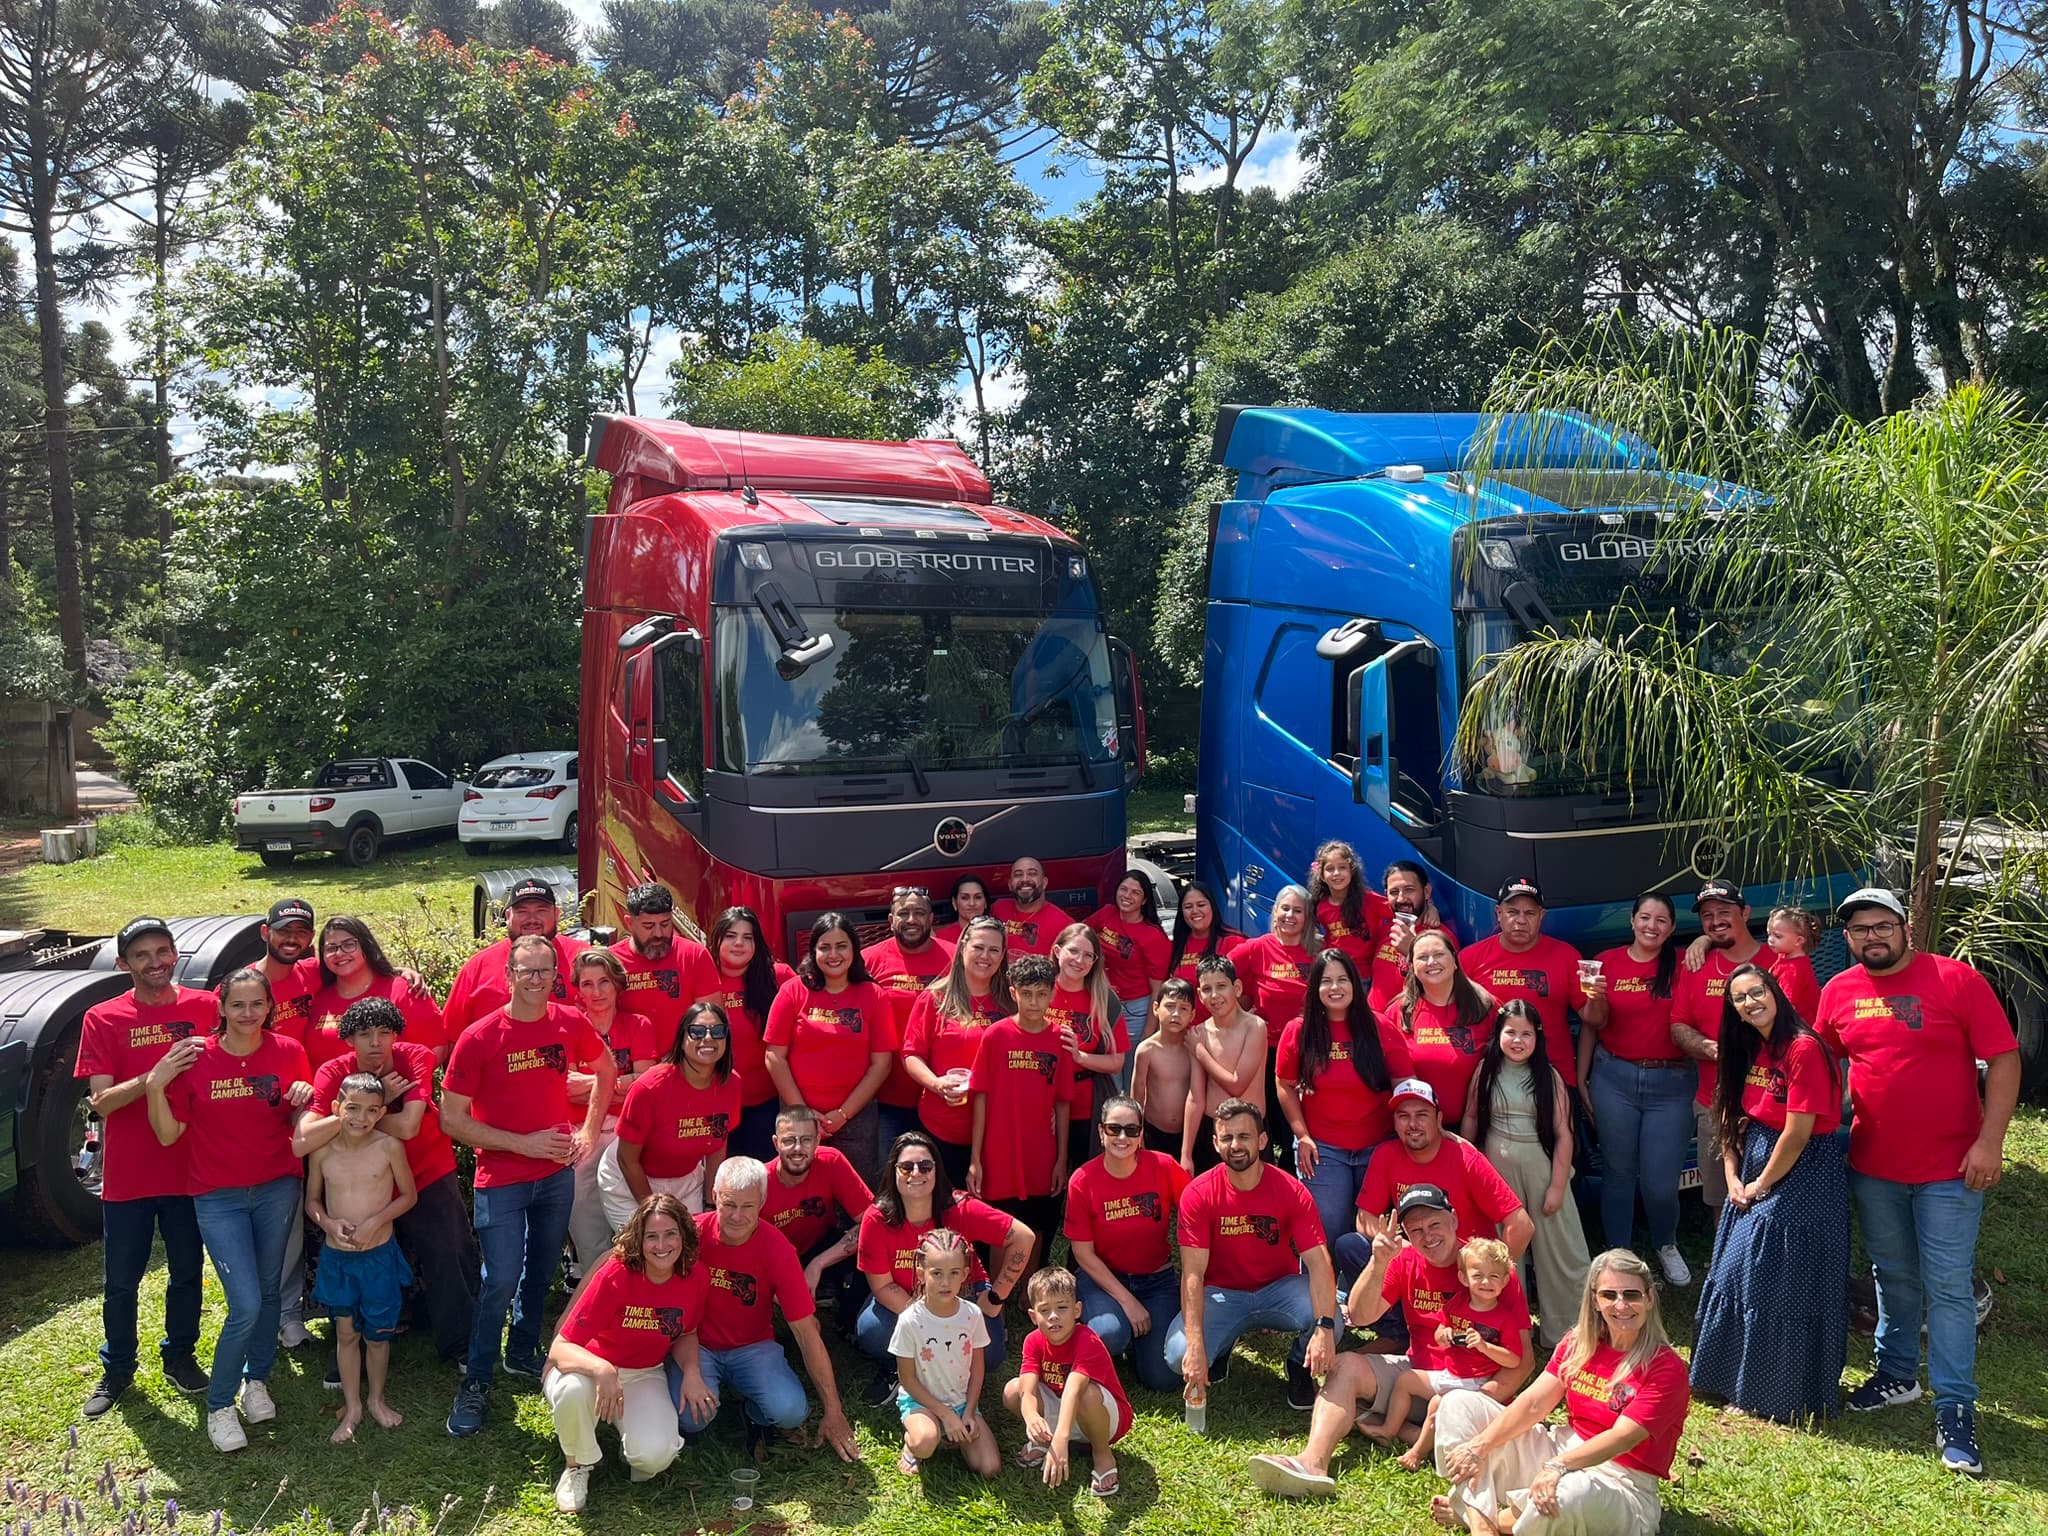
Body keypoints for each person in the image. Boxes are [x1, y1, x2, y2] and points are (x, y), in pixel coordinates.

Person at [1817, 887, 2018, 1476]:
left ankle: (1955, 1408)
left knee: (1948, 1286)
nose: (1871, 937)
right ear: (1848, 938)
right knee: (1892, 1273)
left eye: (1882, 926)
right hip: (1875, 1164)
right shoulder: (1839, 992)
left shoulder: (1955, 980)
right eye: (1859, 930)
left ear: (1906, 929)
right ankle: (1897, 1376)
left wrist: (1990, 1142)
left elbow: (2004, 1057)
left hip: (1951, 1168)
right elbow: (1819, 1061)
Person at [1251, 1184, 1530, 1498]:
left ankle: (1401, 1429)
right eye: (1416, 1229)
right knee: (1344, 1367)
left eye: (1435, 1224)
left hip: (1473, 1389)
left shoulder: (1488, 1270)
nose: (1428, 1236)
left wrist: (1477, 1398)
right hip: (1419, 1376)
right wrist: (1378, 1261)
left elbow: (1524, 1362)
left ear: (1453, 1220)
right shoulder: (1405, 1259)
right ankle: (1312, 1463)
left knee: (1450, 1408)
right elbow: (1360, 1313)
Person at [441, 933, 615, 1437]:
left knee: (539, 1273)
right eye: (526, 971)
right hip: (501, 1180)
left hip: (555, 1177)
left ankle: (521, 1351)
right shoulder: (480, 1037)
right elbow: (452, 1119)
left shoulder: (569, 1022)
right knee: (499, 1280)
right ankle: (476, 1380)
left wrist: (585, 1130)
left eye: (545, 972)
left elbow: (606, 1070)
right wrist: (523, 1144)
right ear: (509, 976)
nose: (536, 980)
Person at [144, 968, 314, 1452]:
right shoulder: (197, 1057)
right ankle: (219, 1405)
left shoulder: (288, 1052)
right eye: (237, 1005)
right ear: (220, 1007)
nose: (247, 1014)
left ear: (269, 1006)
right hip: (217, 1196)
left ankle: (255, 1380)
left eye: (256, 1004)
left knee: (265, 1290)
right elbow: (167, 1134)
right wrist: (156, 1086)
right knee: (244, 1303)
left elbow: (300, 1112)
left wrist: (304, 1097)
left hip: (276, 1187)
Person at [1433, 1249, 1691, 1536]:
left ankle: (1475, 1513)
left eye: (1631, 1294)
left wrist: (1559, 1466)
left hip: (1621, 1482)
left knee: (1565, 1495)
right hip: (1560, 1448)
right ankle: (1482, 1525)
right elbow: (1533, 1404)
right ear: (1594, 1300)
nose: (1620, 1305)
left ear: (1649, 1298)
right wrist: (1478, 1446)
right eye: (1609, 1295)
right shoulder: (1578, 1342)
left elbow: (1623, 1438)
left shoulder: (1666, 1367)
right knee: (1457, 1404)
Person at [1690, 963, 1846, 1424]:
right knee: (1737, 1273)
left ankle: (1772, 1394)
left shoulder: (1803, 1048)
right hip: (1754, 1162)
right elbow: (1732, 1119)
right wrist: (1734, 1175)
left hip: (1800, 1172)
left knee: (1775, 1282)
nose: (1750, 1002)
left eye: (1757, 991)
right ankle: (1732, 1379)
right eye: (1740, 998)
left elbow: (1798, 1133)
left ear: (1774, 992)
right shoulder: (1749, 1049)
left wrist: (1761, 1184)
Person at [75, 916, 215, 1418]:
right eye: (142, 955)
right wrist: (152, 1078)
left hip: (190, 1169)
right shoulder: (103, 1018)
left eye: (163, 951)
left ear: (175, 954)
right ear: (123, 964)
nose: (155, 962)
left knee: (186, 1271)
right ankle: (117, 1368)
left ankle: (180, 1355)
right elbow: (102, 1104)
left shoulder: (206, 1007)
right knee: (121, 1279)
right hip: (130, 1176)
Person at [297, 996, 478, 1373]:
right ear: (348, 1039)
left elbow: (410, 1127)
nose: (376, 1042)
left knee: (448, 1253)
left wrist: (358, 1111)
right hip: (363, 1180)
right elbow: (302, 1140)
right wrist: (374, 1104)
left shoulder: (415, 1058)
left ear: (397, 1035)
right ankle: (348, 1349)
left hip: (426, 1169)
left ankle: (461, 1345)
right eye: (364, 1034)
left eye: (385, 1032)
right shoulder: (333, 1071)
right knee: (352, 1258)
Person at [1166, 1098, 1338, 1413]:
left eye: (1244, 1136)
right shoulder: (1198, 1193)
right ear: (1215, 1143)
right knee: (1178, 1355)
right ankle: (1218, 1349)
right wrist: (1195, 1345)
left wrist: (1324, 1327)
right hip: (1222, 1294)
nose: (1236, 1145)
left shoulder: (1291, 1190)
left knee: (1333, 1319)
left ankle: (1299, 1365)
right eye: (1227, 1137)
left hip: (1278, 1288)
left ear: (1262, 1140)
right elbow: (1192, 1273)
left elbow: (1318, 1260)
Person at [682, 1158, 860, 1460]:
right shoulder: (690, 1236)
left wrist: (834, 1410)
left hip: (753, 1346)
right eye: (729, 1204)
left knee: (791, 1411)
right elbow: (626, 1259)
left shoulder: (778, 1249)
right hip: (696, 1346)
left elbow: (806, 1333)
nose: (737, 1216)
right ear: (714, 1195)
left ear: (763, 1202)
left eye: (748, 1206)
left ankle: (753, 1411)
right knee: (692, 1419)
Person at [542, 1194, 710, 1513]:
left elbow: (687, 1332)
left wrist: (692, 1371)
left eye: (670, 1233)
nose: (661, 1245)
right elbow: (561, 1347)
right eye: (651, 1236)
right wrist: (602, 1369)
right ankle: (576, 1465)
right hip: (587, 1365)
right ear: (639, 1239)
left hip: (644, 1372)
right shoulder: (617, 1273)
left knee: (654, 1458)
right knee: (573, 1391)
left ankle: (626, 1441)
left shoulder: (695, 1275)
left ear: (684, 1235)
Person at [854, 1130, 1033, 1406]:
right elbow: (882, 1286)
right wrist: (932, 1323)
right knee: (873, 1332)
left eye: (925, 1166)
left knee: (993, 1355)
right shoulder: (877, 1218)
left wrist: (996, 1297)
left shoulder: (959, 1207)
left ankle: (933, 1362)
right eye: (906, 1166)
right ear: (894, 1171)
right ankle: (905, 1369)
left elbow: (1024, 1237)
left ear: (937, 1171)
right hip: (906, 1296)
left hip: (965, 1294)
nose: (916, 1173)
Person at [1463, 1002, 1592, 1351]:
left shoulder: (1548, 1076)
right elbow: (1473, 1118)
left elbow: (1564, 1135)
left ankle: (1566, 1334)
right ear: (1498, 1034)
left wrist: (1557, 1186)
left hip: (1540, 1170)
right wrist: (1466, 1162)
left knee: (1562, 1250)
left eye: (1526, 1034)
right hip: (1495, 1173)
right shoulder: (1485, 1071)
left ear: (1537, 1037)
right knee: (1501, 1252)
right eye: (1511, 1032)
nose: (1518, 1040)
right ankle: (1503, 1332)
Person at [1576, 894, 1692, 1259]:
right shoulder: (1606, 962)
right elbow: (1593, 1026)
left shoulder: (1687, 962)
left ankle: (1665, 1242)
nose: (1651, 926)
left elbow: (1721, 952)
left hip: (1671, 1083)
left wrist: (1703, 939)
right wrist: (1582, 1080)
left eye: (1661, 920)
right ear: (1632, 921)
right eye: (1645, 918)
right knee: (1618, 1174)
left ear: (1672, 927)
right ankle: (1618, 1253)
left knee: (1660, 1183)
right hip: (1615, 1078)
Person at [304, 1071, 418, 1442]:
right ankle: (352, 1405)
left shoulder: (388, 1147)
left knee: (379, 1337)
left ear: (382, 1112)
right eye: (352, 1108)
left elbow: (408, 1196)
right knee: (346, 1333)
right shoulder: (323, 1150)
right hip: (339, 1259)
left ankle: (375, 1400)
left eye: (371, 1111)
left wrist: (375, 1222)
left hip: (378, 1257)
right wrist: (328, 1224)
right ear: (337, 1107)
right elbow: (312, 1202)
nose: (360, 1118)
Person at [1276, 948, 1414, 1250]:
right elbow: (1284, 1084)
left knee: (1370, 1234)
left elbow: (1405, 1085)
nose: (1335, 988)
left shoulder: (1380, 1028)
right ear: (1315, 988)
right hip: (1324, 1150)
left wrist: (1408, 1136)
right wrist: (1302, 1136)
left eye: (1342, 980)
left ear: (1355, 983)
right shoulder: (1298, 1031)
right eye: (1326, 981)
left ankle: (1366, 1290)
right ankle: (1327, 1293)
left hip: (1377, 1147)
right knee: (1328, 1232)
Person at [1667, 877, 1767, 1274]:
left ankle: (1765, 1262)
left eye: (1724, 912)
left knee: (1770, 1186)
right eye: (1707, 916)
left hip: (1768, 1105)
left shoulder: (1776, 960)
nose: (1715, 921)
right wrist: (1710, 1049)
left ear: (1745, 913)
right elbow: (1677, 1024)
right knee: (1719, 1191)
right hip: (1714, 1101)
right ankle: (1729, 1261)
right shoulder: (1695, 964)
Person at [1064, 1094, 1187, 1392]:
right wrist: (1127, 1301)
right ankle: (1115, 1331)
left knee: (1163, 1378)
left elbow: (1196, 1209)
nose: (1123, 1137)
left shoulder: (1163, 1166)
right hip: (1104, 1278)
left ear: (1141, 1134)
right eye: (1114, 1129)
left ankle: (1139, 1342)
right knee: (1110, 1334)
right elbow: (1083, 1253)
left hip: (1157, 1279)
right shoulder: (1083, 1180)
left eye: (1132, 1130)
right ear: (1101, 1132)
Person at [763, 913, 895, 1190]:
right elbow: (774, 1056)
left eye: (841, 946)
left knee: (857, 1193)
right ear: (813, 951)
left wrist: (843, 1114)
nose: (833, 954)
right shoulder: (793, 991)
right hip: (798, 1118)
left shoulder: (874, 995)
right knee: (799, 1191)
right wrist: (803, 1113)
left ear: (854, 950)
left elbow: (881, 1064)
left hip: (855, 1118)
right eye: (825, 947)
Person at [1385, 1237, 1532, 1473]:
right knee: (1406, 1380)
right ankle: (1388, 1430)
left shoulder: (1503, 1318)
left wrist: (1485, 1347)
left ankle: (1418, 1452)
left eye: (1494, 1276)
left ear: (1505, 1280)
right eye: (1478, 1275)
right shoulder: (1457, 1304)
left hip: (1476, 1383)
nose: (1486, 1282)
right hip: (1450, 1373)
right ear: (1464, 1278)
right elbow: (1440, 1329)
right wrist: (1442, 1335)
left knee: (1436, 1404)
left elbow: (1514, 1359)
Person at [968, 954, 1073, 1260]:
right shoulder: (995, 1035)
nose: (1034, 1002)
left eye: (1042, 994)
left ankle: (1026, 1295)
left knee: (1038, 1220)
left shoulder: (1059, 1039)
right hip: (999, 1149)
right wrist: (975, 1158)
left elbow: (1064, 1103)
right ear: (1013, 993)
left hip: (1041, 1150)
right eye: (1026, 994)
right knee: (1001, 1221)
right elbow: (980, 1096)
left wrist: (1061, 1158)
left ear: (1053, 993)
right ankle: (998, 1298)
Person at [1354, 1080, 1533, 1255]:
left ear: (1438, 1119)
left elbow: (1522, 1226)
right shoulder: (1386, 1154)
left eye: (1422, 1115)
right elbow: (1364, 1219)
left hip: (1462, 1268)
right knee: (1350, 1246)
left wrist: (1492, 1273)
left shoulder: (1467, 1160)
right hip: (1413, 1261)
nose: (1413, 1124)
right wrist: (1406, 1251)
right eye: (1403, 1116)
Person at [1458, 879, 1591, 1114]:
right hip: (1495, 1078)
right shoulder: (1470, 959)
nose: (1521, 920)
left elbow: (1593, 1019)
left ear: (1542, 916)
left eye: (1530, 913)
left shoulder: (1567, 956)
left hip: (1554, 1077)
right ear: (1498, 913)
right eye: (1512, 912)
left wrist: (1598, 997)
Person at [602, 999, 739, 1224]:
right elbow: (627, 1159)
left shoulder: (731, 1083)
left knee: (691, 1248)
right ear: (682, 1039)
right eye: (696, 1031)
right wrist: (656, 1213)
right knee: (645, 1249)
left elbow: (718, 1142)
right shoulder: (649, 1088)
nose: (708, 1038)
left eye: (717, 1031)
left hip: (686, 1179)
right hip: (630, 1178)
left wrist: (710, 1202)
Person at [1003, 1266, 1132, 1497]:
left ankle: (1102, 1453)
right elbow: (1028, 1389)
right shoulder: (1033, 1341)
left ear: (1077, 1310)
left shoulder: (1087, 1339)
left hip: (1101, 1416)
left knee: (1087, 1394)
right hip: (1065, 1411)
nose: (1053, 1316)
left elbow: (1074, 1387)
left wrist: (1061, 1438)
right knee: (1013, 1391)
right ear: (1033, 1316)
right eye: (1045, 1310)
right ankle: (1043, 1440)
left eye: (1062, 1308)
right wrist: (1032, 1417)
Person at [901, 917, 1010, 1184]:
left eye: (994, 950)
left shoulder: (1011, 1000)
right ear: (962, 948)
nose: (985, 956)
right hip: (943, 1126)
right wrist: (937, 1084)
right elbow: (911, 1054)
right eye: (978, 947)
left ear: (1003, 955)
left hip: (997, 1127)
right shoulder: (935, 998)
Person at [566, 949, 655, 1274]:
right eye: (587, 984)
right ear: (579, 989)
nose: (597, 992)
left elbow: (647, 1082)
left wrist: (597, 1080)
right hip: (584, 1131)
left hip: (628, 1131)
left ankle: (640, 1276)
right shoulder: (570, 1026)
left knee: (634, 1212)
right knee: (585, 1217)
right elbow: (567, 1087)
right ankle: (594, 1282)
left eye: (604, 982)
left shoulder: (638, 1024)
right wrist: (620, 1080)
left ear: (618, 984)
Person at [889, 1227, 999, 1479]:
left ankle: (953, 1433)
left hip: (961, 1402)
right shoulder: (910, 1320)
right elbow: (907, 1379)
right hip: (921, 1402)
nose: (945, 1282)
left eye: (953, 1273)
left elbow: (977, 1368)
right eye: (937, 1273)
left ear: (965, 1274)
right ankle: (915, 1440)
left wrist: (969, 1411)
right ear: (921, 1273)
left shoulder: (972, 1314)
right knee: (925, 1443)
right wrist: (945, 1414)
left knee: (989, 1468)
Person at [863, 886, 957, 1147]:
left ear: (931, 919)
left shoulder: (956, 957)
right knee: (890, 1177)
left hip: (945, 1097)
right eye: (904, 913)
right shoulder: (867, 961)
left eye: (919, 913)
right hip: (888, 1099)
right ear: (891, 921)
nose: (912, 920)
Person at [442, 876, 587, 1037]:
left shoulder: (584, 959)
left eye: (541, 910)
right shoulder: (477, 967)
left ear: (557, 913)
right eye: (522, 912)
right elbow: (449, 1036)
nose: (532, 919)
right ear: (508, 915)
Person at [762, 1105, 873, 1312]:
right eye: (789, 1140)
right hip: (775, 1258)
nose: (797, 1149)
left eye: (805, 1140)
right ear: (776, 1144)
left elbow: (873, 1223)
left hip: (820, 1246)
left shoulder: (831, 1161)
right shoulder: (760, 1182)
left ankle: (850, 1320)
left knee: (874, 1246)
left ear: (817, 1141)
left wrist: (818, 1264)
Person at [1234, 886, 1317, 1165]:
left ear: (1307, 917)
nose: (1290, 915)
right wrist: (1237, 1015)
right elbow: (1217, 975)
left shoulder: (1318, 952)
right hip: (1267, 1053)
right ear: (1275, 912)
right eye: (1285, 908)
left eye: (1297, 911)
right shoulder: (1257, 947)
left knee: (1306, 1122)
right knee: (1273, 1123)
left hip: (1309, 1051)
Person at [706, 906, 794, 1162]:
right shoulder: (703, 976)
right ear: (717, 939)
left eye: (748, 937)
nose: (739, 944)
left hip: (766, 1103)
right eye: (731, 936)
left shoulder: (778, 976)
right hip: (715, 1101)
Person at [303, 915, 447, 1070]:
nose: (339, 953)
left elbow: (436, 1049)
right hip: (328, 1093)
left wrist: (391, 1087)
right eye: (331, 948)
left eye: (349, 944)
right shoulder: (318, 997)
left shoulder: (404, 991)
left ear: (366, 946)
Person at [1384, 931, 1497, 1124]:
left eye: (1438, 955)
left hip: (1479, 1128)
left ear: (1454, 960)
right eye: (1422, 957)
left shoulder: (1486, 1007)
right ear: (1412, 966)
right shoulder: (1397, 1012)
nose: (1431, 962)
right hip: (1416, 1132)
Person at [608, 882, 720, 1059]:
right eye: (648, 926)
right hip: (630, 1069)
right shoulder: (612, 961)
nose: (659, 933)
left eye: (665, 924)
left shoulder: (694, 955)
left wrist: (677, 1059)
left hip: (684, 1064)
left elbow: (712, 1020)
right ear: (629, 923)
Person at [1048, 922, 1126, 1167]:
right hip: (1041, 1098)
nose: (1079, 960)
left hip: (1085, 1106)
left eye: (1088, 955)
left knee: (1086, 1171)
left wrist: (1080, 1056)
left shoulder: (1104, 998)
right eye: (1073, 951)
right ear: (1057, 951)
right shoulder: (1039, 990)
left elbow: (1117, 1062)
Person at [1186, 954, 1268, 1170]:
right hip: (1212, 1130)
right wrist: (1186, 1153)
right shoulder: (1200, 1033)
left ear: (1237, 988)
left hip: (1250, 1127)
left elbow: (1237, 1085)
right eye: (1206, 989)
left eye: (1221, 986)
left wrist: (1200, 1052)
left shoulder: (1255, 1027)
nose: (1214, 995)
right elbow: (1195, 1097)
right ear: (1199, 996)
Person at [1087, 871, 1171, 1049]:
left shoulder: (1153, 937)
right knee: (1108, 1067)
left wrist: (1149, 1034)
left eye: (1135, 892)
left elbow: (1158, 990)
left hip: (1135, 1010)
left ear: (1145, 900)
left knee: (1129, 1067)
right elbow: (1079, 935)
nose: (1127, 896)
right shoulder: (1107, 914)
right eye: (1123, 889)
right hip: (1103, 1001)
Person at [1369, 862, 1458, 1012]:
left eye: (1409, 890)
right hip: (1373, 1025)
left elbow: (1446, 987)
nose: (1401, 899)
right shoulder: (1386, 926)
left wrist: (1413, 949)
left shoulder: (1440, 937)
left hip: (1407, 1028)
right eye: (1394, 892)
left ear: (1427, 891)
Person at [1132, 979, 1197, 1158]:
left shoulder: (1194, 1047)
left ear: (1192, 1014)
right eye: (1169, 1006)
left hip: (1189, 1133)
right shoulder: (1146, 1050)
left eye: (1184, 1008)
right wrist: (1137, 1129)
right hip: (1154, 1131)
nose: (1176, 1014)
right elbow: (1137, 1093)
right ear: (1155, 1008)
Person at [1309, 841, 1389, 973]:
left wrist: (1429, 910)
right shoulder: (1320, 907)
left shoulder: (1369, 899)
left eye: (1342, 867)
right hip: (1336, 971)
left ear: (1351, 871)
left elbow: (1398, 910)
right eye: (1330, 869)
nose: (1336, 873)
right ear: (1322, 876)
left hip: (1365, 974)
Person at [1169, 880, 1241, 1020]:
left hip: (1222, 1032)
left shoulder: (1234, 943)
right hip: (1186, 1033)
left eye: (1201, 905)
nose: (1195, 911)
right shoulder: (1177, 945)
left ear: (1212, 906)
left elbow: (1246, 994)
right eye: (1188, 906)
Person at [256, 897, 323, 1045]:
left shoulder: (315, 972)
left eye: (301, 932)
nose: (292, 939)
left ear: (311, 937)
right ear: (265, 932)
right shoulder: (240, 986)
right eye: (283, 931)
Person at [992, 855, 1062, 957]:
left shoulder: (1062, 924)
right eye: (1018, 874)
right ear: (1010, 884)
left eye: (1032, 874)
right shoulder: (998, 908)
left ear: (1044, 883)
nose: (1025, 879)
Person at [1763, 905, 1822, 1021]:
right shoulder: (1785, 958)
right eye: (1769, 934)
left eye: (1778, 936)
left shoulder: (1793, 969)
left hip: (1799, 1026)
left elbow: (1786, 1003)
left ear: (1798, 941)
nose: (1770, 939)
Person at [936, 873, 991, 944]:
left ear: (985, 902)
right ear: (954, 903)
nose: (972, 903)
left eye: (978, 897)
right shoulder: (942, 937)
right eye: (965, 898)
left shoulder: (997, 935)